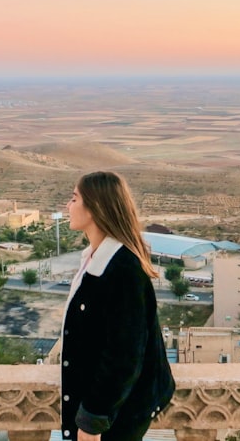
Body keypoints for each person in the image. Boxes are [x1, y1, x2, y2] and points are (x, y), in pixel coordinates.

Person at [60, 171, 175, 441]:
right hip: (103, 413)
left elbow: (124, 356)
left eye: (74, 199)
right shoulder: (95, 260)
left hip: (114, 420)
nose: (68, 206)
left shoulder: (123, 271)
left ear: (95, 208)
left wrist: (92, 422)